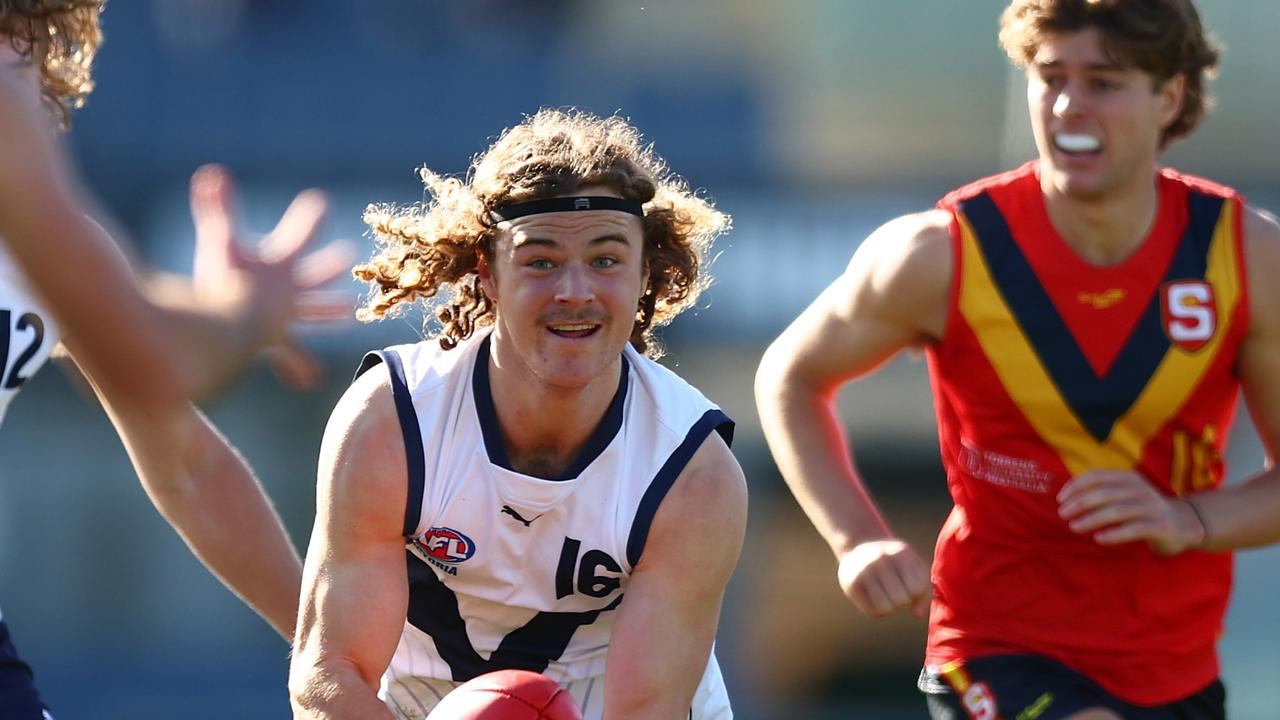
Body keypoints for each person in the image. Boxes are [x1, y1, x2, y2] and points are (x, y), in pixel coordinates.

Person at [755, 1, 1280, 718]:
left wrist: (1189, 519)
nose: (1068, 104)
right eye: (1049, 76)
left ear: (1171, 96)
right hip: (993, 648)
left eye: (1103, 81)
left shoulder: (1246, 256)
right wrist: (857, 540)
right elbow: (792, 375)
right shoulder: (939, 253)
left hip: (1175, 668)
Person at [289, 108, 747, 720]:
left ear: (646, 274)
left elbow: (646, 709)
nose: (575, 292)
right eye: (541, 261)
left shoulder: (693, 473)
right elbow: (329, 676)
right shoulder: (392, 419)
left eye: (606, 260)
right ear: (488, 273)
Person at [0, 2, 351, 716]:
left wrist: (334, 656)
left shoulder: (43, 243)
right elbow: (163, 355)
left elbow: (188, 464)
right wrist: (247, 307)